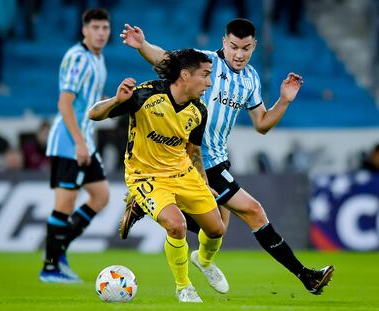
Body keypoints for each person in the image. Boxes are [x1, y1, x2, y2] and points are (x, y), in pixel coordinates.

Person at [119, 18, 334, 295]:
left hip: (218, 159)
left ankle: (199, 256)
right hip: (191, 156)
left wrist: (284, 100)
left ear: (254, 46)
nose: (239, 54)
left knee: (219, 225)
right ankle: (306, 276)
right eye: (233, 47)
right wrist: (142, 45)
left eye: (245, 48)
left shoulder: (251, 79)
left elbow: (262, 124)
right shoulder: (206, 62)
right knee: (253, 211)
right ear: (224, 43)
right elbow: (165, 60)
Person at [89, 49, 228, 302]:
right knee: (177, 226)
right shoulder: (145, 95)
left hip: (183, 172)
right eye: (205, 75)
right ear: (185, 75)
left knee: (217, 229)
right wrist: (116, 101)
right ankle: (183, 287)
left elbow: (194, 150)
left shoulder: (199, 110)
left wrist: (204, 184)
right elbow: (93, 114)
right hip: (146, 176)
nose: (209, 82)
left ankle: (204, 261)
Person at [39, 8, 111, 283]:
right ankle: (50, 266)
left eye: (105, 28)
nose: (101, 33)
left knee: (101, 196)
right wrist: (79, 143)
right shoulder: (79, 58)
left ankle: (59, 251)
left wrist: (114, 102)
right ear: (84, 30)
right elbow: (64, 103)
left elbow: (88, 99)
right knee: (65, 204)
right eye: (96, 28)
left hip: (84, 140)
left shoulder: (97, 58)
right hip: (69, 142)